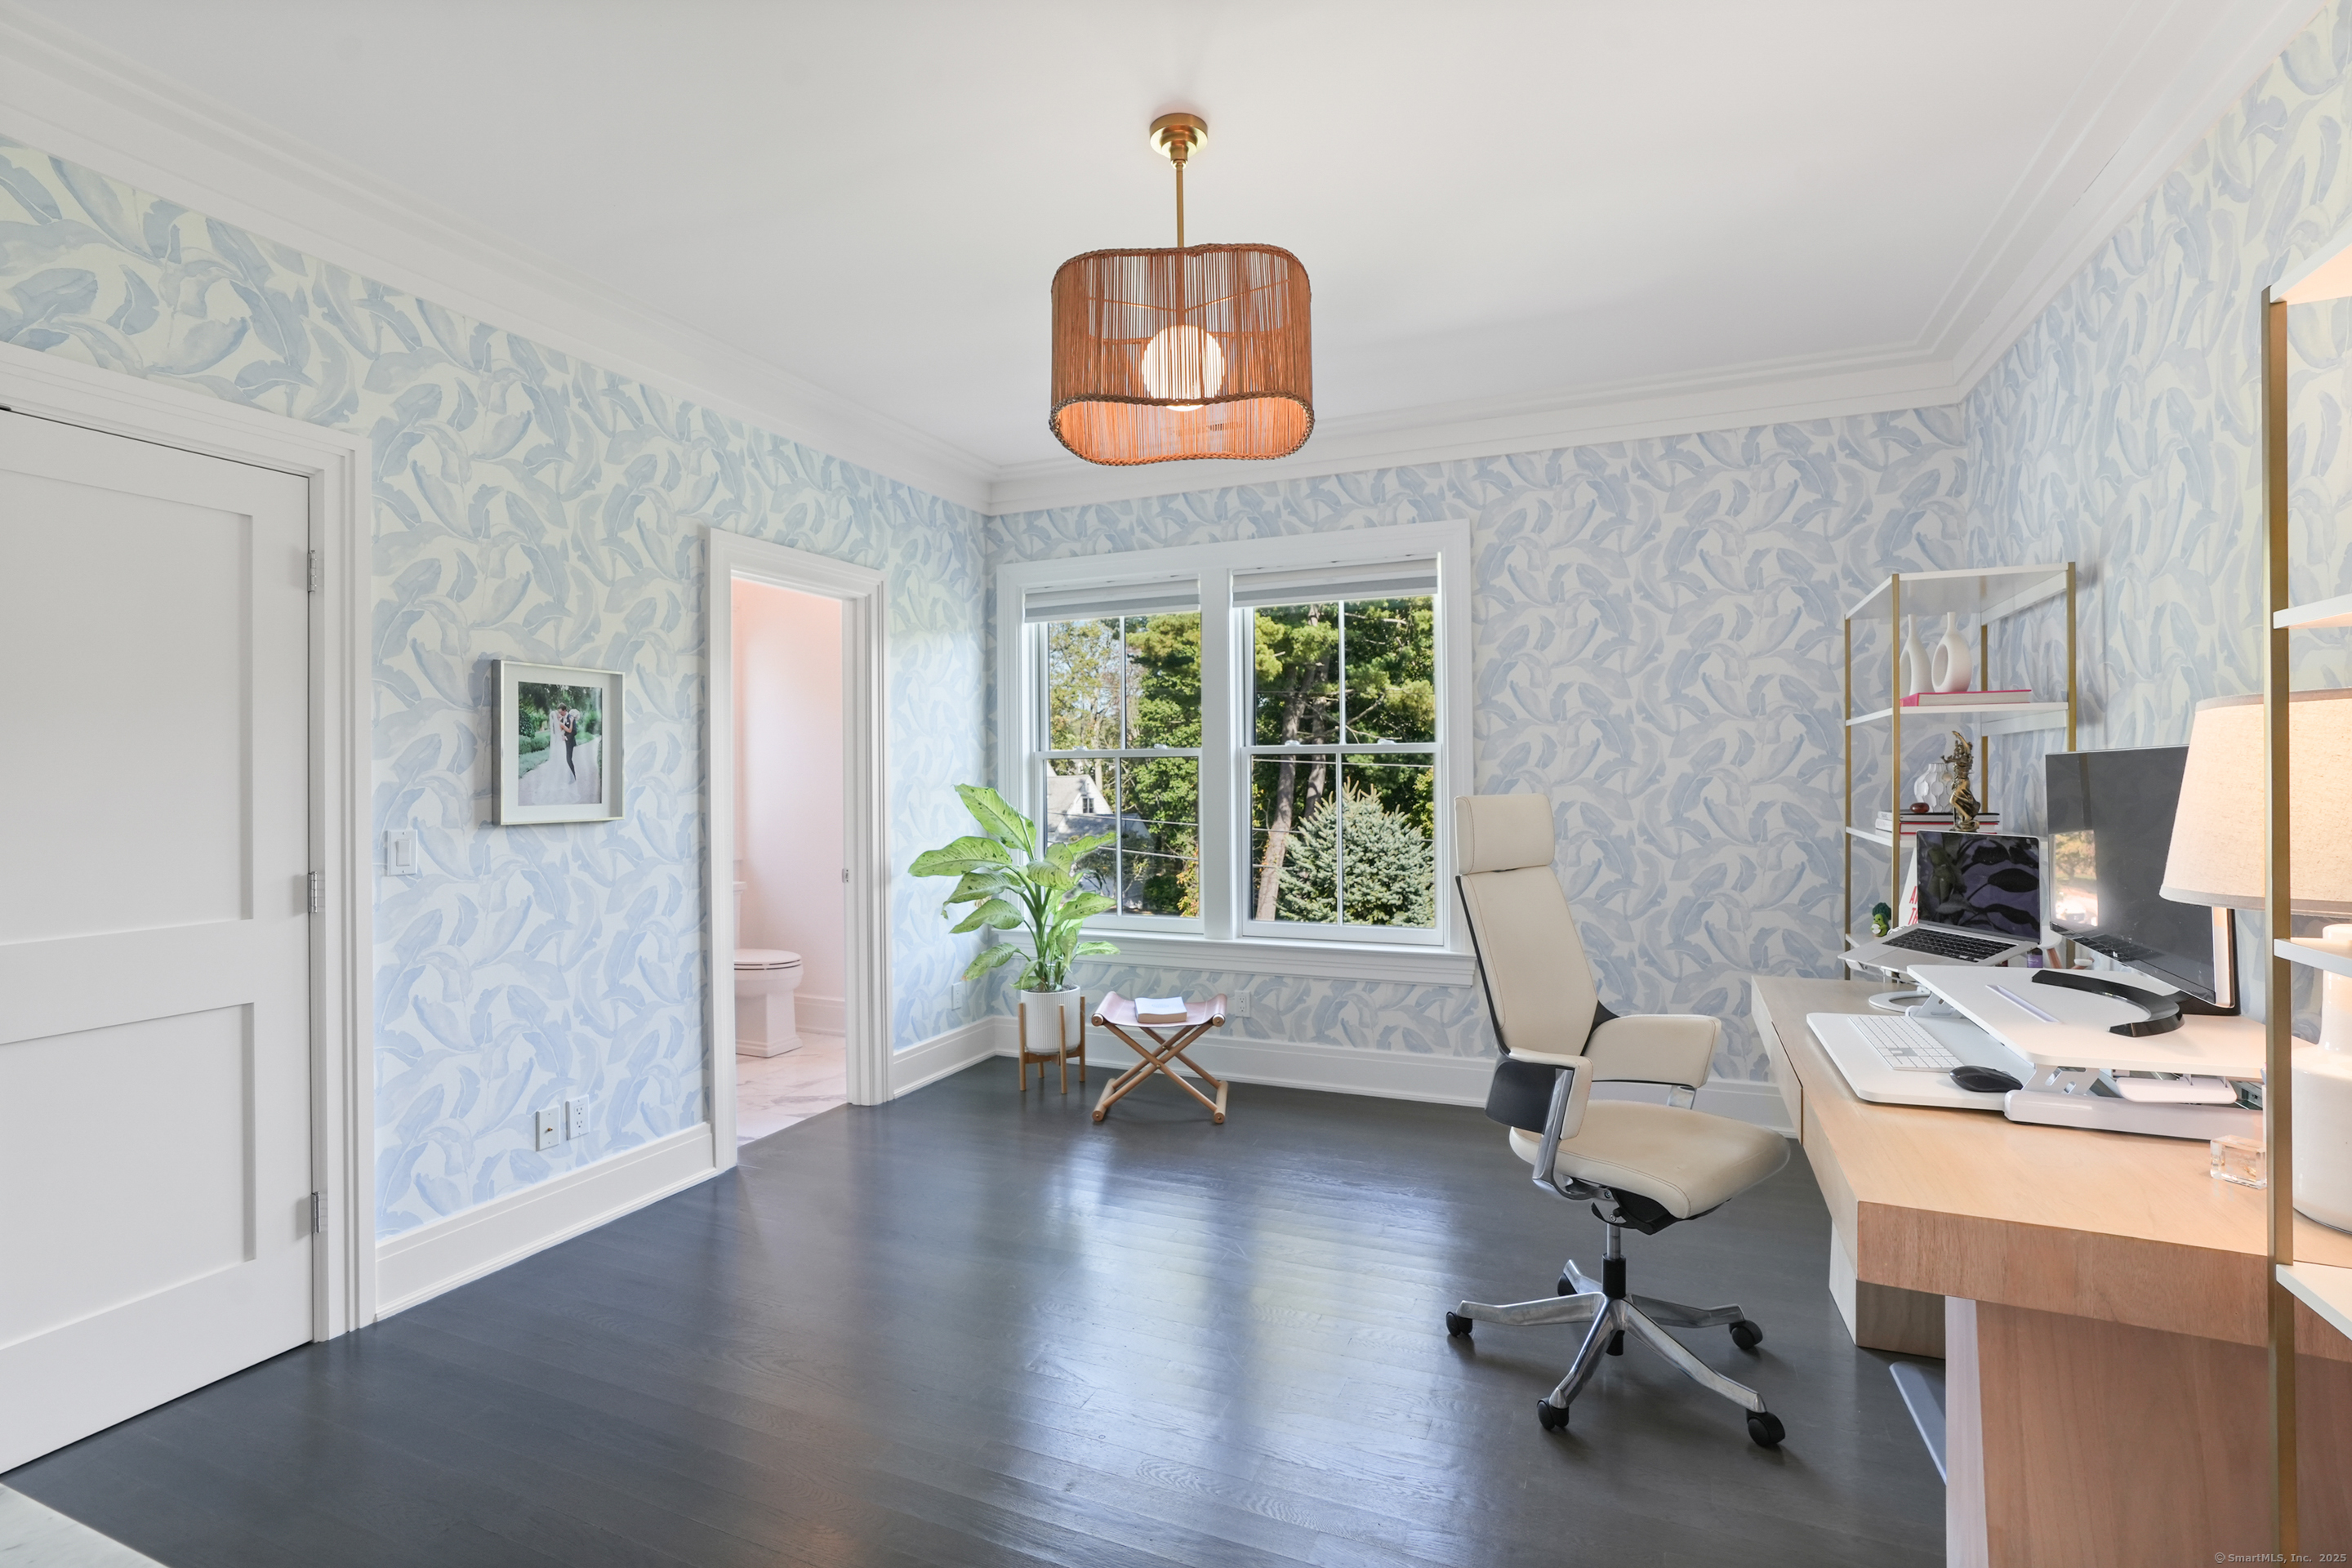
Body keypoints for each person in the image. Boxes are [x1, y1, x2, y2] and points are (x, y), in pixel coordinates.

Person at [559, 704, 578, 777]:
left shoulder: (571, 718)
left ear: (565, 710)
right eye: (559, 712)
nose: (560, 713)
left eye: (561, 712)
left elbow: (575, 731)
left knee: (568, 759)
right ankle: (565, 776)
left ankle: (573, 776)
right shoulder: (561, 719)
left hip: (569, 742)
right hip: (562, 743)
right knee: (563, 759)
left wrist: (566, 737)